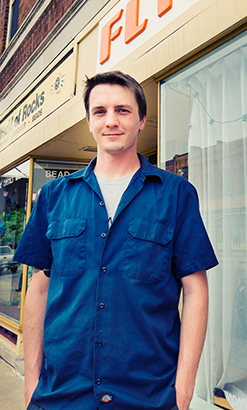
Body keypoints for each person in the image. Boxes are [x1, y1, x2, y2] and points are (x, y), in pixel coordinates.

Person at [15, 71, 218, 410]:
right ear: (89, 121)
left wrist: (183, 390)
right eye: (100, 111)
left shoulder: (176, 194)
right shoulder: (54, 196)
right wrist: (31, 383)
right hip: (61, 393)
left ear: (141, 120)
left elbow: (196, 289)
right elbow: (38, 288)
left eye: (123, 110)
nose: (111, 121)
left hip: (147, 395)